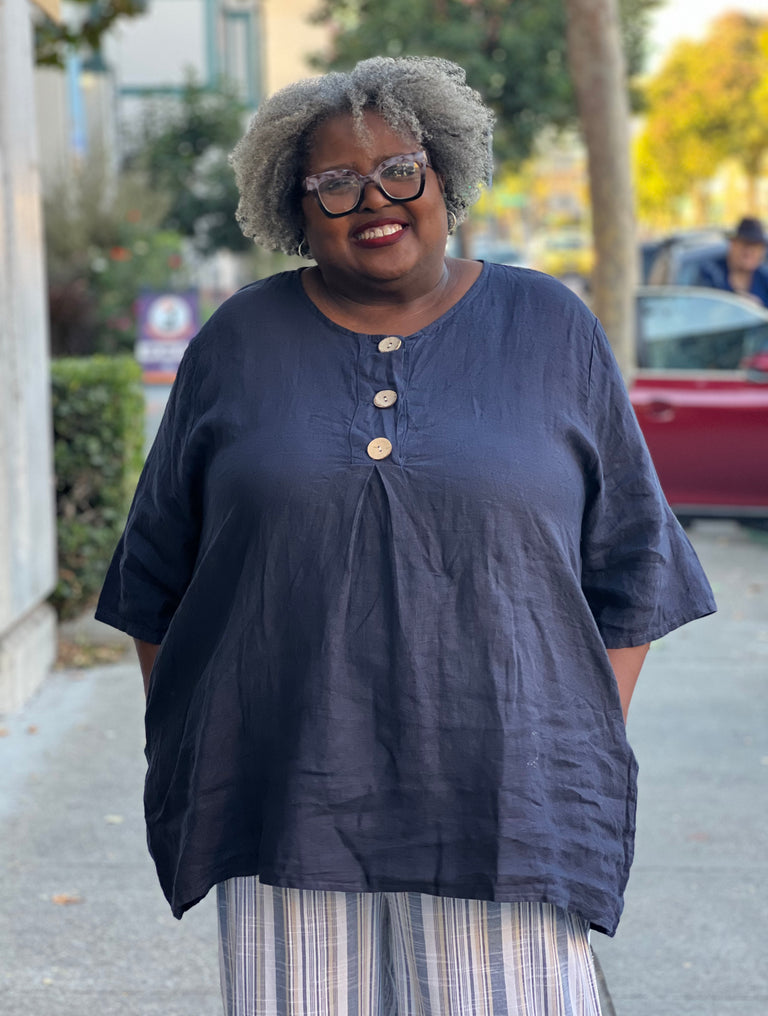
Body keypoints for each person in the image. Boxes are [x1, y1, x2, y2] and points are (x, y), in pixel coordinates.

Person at [96, 56, 715, 1016]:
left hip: (504, 809)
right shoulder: (236, 343)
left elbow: (633, 565)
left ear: (443, 174)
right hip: (281, 803)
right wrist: (211, 744)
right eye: (335, 183)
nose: (374, 199)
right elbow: (155, 577)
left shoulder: (549, 327)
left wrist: (560, 739)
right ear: (296, 208)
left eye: (398, 169)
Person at [695, 216, 768, 306]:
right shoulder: (711, 274)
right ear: (733, 244)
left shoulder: (764, 278)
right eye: (745, 245)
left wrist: (759, 308)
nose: (749, 252)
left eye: (755, 247)